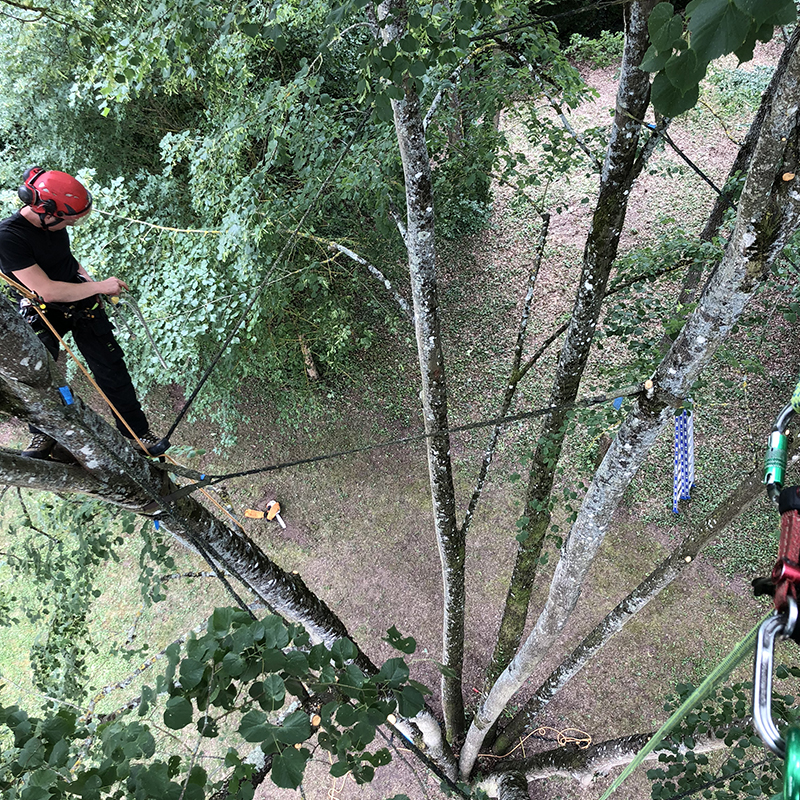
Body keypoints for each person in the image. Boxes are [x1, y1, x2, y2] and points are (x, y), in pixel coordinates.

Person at [0, 167, 169, 458]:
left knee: (111, 367)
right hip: (43, 309)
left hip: (80, 299)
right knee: (39, 373)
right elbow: (47, 290)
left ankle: (137, 434)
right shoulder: (8, 238)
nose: (71, 224)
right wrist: (101, 287)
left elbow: (66, 260)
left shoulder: (54, 223)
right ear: (46, 212)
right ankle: (43, 436)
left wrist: (89, 283)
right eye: (69, 220)